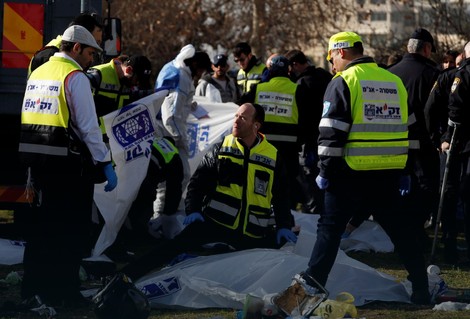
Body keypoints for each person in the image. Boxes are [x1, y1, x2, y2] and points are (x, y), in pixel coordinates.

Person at [297, 31, 430, 305]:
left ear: (342, 52)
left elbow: (331, 134)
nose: (331, 63)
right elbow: (412, 129)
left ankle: (311, 286)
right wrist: (406, 169)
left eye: (331, 56)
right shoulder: (394, 81)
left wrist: (325, 172)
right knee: (401, 231)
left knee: (330, 230)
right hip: (388, 173)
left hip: (349, 172)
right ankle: (421, 287)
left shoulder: (344, 81)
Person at [119, 103, 297, 280]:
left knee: (269, 264)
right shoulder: (221, 149)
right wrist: (194, 210)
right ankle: (124, 276)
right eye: (236, 116)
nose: (236, 121)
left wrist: (283, 226)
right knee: (169, 248)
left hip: (251, 232)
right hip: (214, 223)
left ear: (256, 125)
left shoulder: (272, 156)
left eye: (243, 117)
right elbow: (198, 183)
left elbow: (281, 196)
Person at [18, 25, 117, 307]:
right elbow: (88, 128)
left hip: (37, 162)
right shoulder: (75, 77)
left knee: (41, 231)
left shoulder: (38, 71)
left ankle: (35, 289)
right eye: (89, 53)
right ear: (75, 48)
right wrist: (105, 162)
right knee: (71, 232)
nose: (91, 60)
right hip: (68, 166)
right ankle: (65, 292)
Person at [388, 27, 441, 250]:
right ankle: (415, 232)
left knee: (395, 191)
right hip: (422, 145)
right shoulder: (432, 74)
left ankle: (403, 233)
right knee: (426, 190)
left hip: (389, 145)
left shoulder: (389, 73)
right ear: (426, 49)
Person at [153, 45, 211, 238]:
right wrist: (180, 140)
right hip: (168, 135)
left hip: (163, 133)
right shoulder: (182, 77)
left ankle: (160, 220)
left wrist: (192, 106)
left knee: (169, 179)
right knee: (178, 176)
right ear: (195, 64)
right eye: (202, 69)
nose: (201, 74)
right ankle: (164, 220)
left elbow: (174, 102)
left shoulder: (175, 70)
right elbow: (171, 114)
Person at [239, 55, 308, 211]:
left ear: (269, 71)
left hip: (262, 145)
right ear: (288, 71)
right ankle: (285, 218)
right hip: (289, 149)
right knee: (285, 186)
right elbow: (306, 120)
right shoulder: (298, 89)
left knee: (260, 183)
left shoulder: (258, 88)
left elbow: (242, 109)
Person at [285, 49, 333, 214]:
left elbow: (301, 116)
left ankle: (314, 213)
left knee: (309, 183)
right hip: (330, 137)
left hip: (309, 142)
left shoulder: (301, 85)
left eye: (290, 69)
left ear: (296, 65)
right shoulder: (325, 76)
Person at [439, 41, 470, 265]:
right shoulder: (457, 75)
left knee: (462, 195)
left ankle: (455, 245)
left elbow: (455, 109)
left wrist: (445, 136)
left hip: (462, 143)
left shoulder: (462, 75)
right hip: (461, 143)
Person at [127, 136, 183, 239]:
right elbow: (174, 190)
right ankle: (136, 236)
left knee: (129, 205)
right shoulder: (174, 155)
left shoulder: (155, 139)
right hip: (148, 174)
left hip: (131, 168)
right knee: (145, 201)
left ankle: (125, 229)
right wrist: (168, 214)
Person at [86, 54, 153, 139]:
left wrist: (155, 93)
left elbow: (132, 97)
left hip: (111, 138)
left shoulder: (126, 81)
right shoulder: (99, 74)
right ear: (128, 70)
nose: (136, 85)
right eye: (137, 81)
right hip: (90, 136)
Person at [29, 12, 103, 74]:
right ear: (81, 33)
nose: (92, 57)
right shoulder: (50, 55)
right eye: (95, 43)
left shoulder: (56, 51)